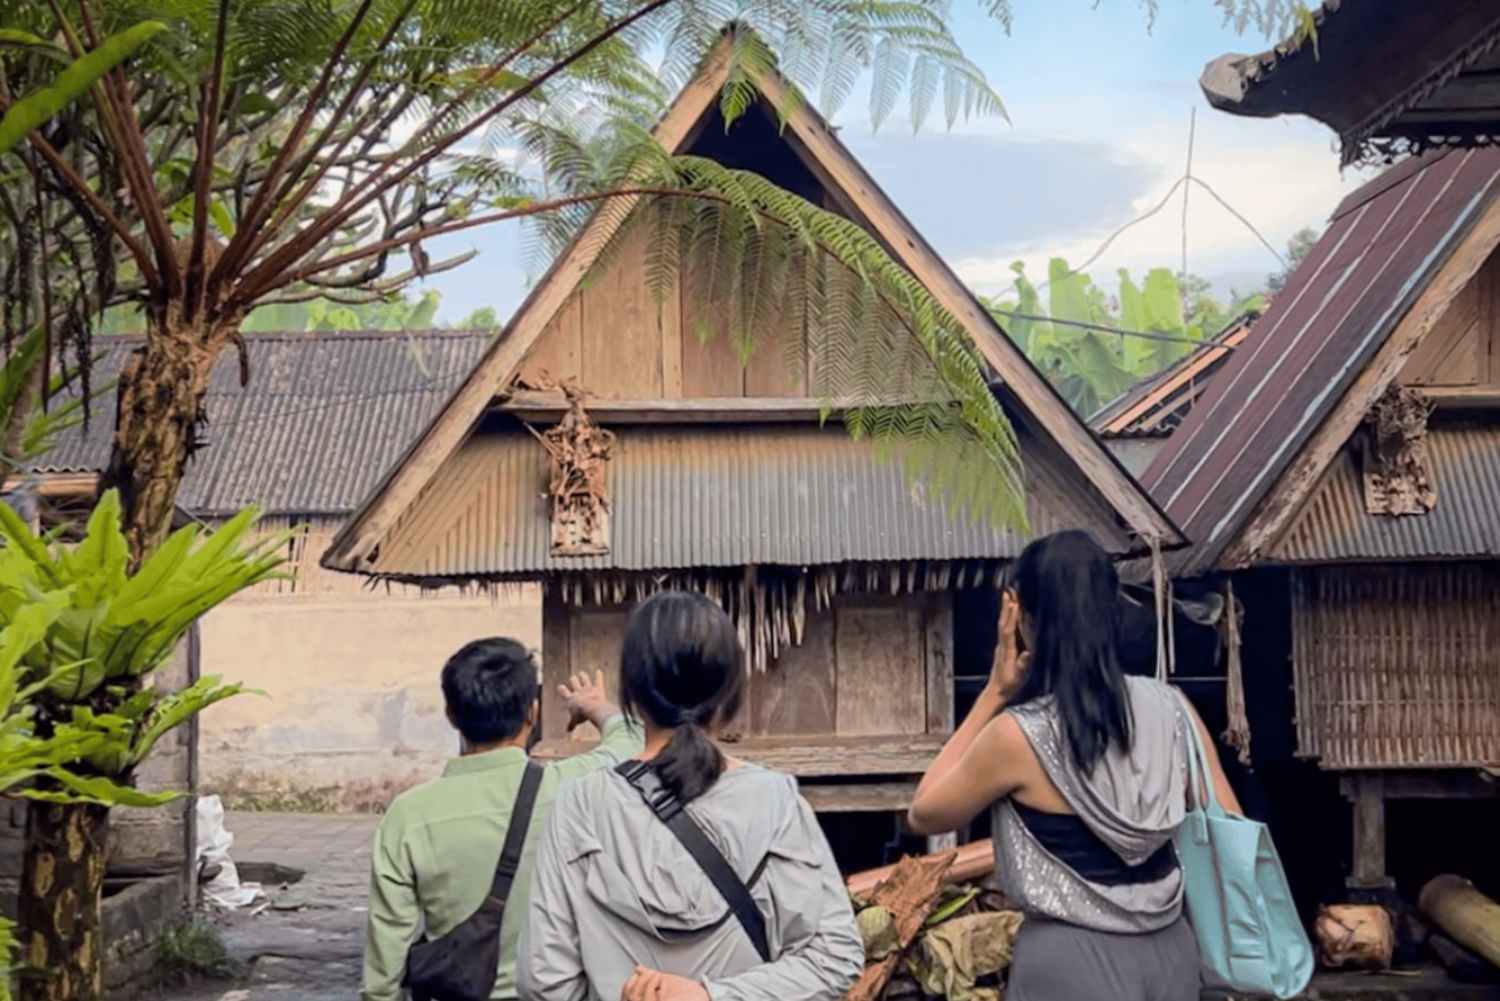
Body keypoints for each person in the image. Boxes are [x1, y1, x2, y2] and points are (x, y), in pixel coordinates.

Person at [907, 531, 1241, 1001]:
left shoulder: (1018, 736)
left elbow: (925, 811)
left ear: (1020, 617)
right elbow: (1230, 828)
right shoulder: (1175, 711)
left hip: (1067, 960)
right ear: (1112, 611)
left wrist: (995, 692)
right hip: (1172, 952)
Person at [517, 590, 864, 1001]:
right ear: (730, 693)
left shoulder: (578, 805)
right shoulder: (775, 801)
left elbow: (544, 981)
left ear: (632, 694)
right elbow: (833, 958)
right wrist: (712, 995)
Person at [362, 638, 644, 1001]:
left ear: (450, 714)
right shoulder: (569, 786)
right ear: (533, 712)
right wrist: (593, 706)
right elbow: (634, 741)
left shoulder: (408, 815)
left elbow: (385, 959)